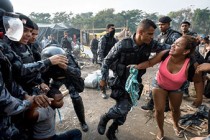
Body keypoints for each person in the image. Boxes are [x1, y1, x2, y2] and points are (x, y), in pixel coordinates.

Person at [97, 19, 170, 140]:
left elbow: (170, 47)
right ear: (141, 32)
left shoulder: (150, 44)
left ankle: (112, 130)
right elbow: (107, 60)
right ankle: (105, 118)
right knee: (123, 108)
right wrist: (103, 79)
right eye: (150, 34)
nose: (152, 37)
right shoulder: (123, 44)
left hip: (135, 83)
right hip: (120, 80)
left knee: (124, 110)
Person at [0, 0, 55, 139]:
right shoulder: (7, 45)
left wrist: (26, 95)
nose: (30, 36)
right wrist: (29, 102)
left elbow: (10, 77)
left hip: (15, 107)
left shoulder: (4, 47)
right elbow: (4, 101)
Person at [133, 35, 203, 139]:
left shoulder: (191, 64)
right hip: (159, 84)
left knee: (175, 109)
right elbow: (150, 62)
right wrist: (136, 67)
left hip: (177, 87)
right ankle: (161, 130)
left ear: (185, 51)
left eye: (177, 45)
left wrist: (199, 97)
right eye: (174, 43)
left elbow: (198, 81)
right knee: (159, 110)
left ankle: (176, 124)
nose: (172, 46)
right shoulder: (165, 54)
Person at [41, 45, 89, 132]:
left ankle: (82, 122)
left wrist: (66, 67)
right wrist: (46, 90)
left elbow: (78, 73)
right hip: (56, 80)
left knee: (76, 98)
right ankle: (50, 124)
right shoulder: (46, 61)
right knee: (51, 100)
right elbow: (44, 78)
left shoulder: (67, 57)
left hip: (68, 78)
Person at [141, 16, 182, 111]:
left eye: (162, 24)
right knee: (158, 83)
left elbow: (178, 50)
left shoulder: (175, 35)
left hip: (172, 65)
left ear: (168, 24)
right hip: (163, 63)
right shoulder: (160, 36)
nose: (160, 26)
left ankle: (165, 106)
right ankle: (151, 104)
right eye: (159, 24)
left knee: (167, 85)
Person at [98, 24, 117, 99]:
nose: (113, 30)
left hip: (113, 60)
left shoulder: (114, 39)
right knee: (104, 77)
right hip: (105, 60)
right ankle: (103, 91)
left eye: (114, 28)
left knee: (117, 75)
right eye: (112, 28)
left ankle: (115, 89)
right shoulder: (104, 38)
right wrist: (103, 61)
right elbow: (100, 50)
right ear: (107, 29)